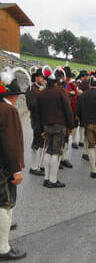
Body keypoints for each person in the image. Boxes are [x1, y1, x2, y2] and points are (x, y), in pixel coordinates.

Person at [0, 70, 27, 260]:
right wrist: (16, 169)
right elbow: (11, 143)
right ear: (13, 95)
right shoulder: (9, 110)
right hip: (4, 166)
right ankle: (3, 248)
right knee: (5, 204)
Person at [38, 67, 75, 188]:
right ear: (56, 81)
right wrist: (71, 125)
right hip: (59, 125)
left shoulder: (42, 93)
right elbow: (68, 109)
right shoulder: (60, 91)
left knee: (48, 150)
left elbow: (39, 112)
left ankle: (46, 178)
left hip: (46, 125)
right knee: (56, 152)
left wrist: (41, 127)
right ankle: (53, 180)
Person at [76, 76, 96, 179]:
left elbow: (78, 112)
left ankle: (93, 170)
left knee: (91, 146)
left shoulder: (82, 96)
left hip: (88, 123)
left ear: (89, 84)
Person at [25, 68, 46, 176]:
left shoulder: (42, 89)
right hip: (36, 119)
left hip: (43, 120)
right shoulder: (30, 89)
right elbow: (31, 106)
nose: (43, 79)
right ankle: (33, 167)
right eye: (42, 77)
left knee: (42, 143)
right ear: (36, 77)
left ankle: (39, 165)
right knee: (36, 143)